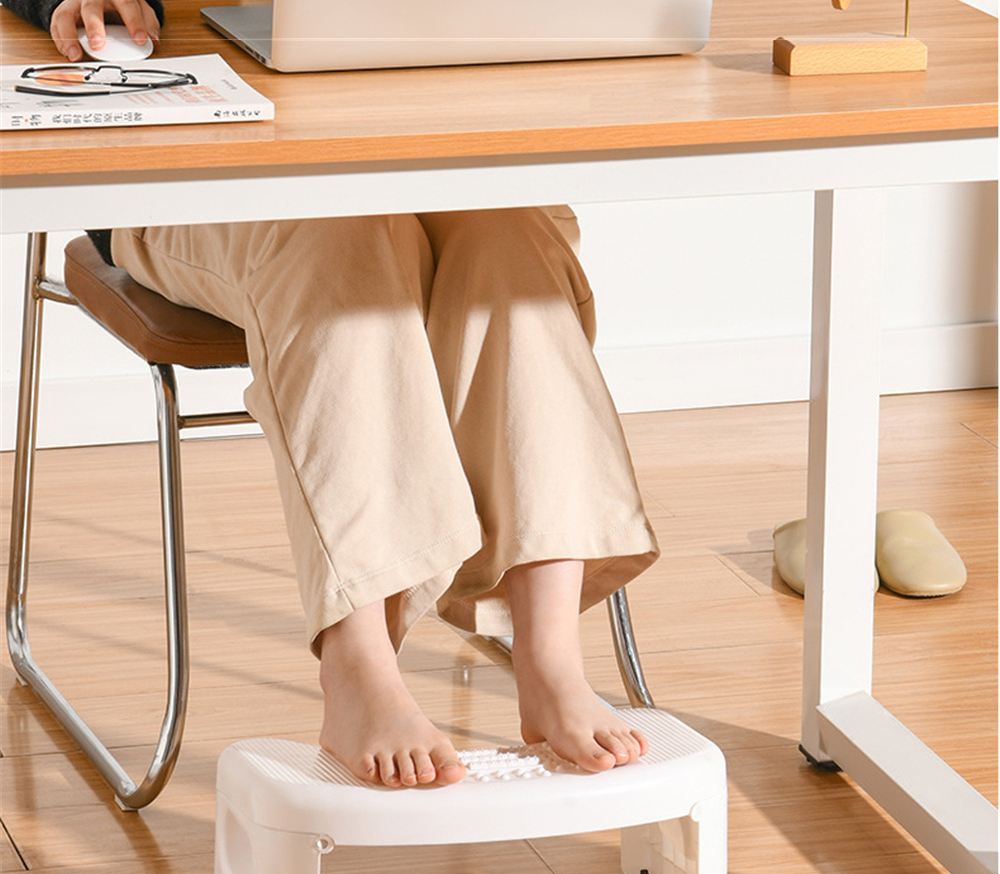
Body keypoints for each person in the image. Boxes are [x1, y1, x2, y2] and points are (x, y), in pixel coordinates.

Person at [7, 0, 660, 788]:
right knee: (341, 241)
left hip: (432, 132)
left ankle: (550, 656)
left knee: (508, 242)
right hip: (201, 166)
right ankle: (357, 663)